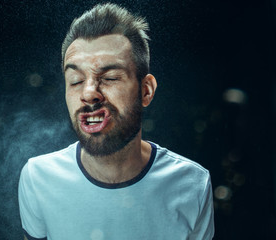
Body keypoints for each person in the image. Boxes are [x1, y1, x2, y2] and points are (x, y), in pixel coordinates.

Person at [18, 3, 214, 240]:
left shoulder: (193, 185)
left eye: (110, 77)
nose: (89, 92)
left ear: (146, 91)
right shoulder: (38, 178)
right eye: (76, 80)